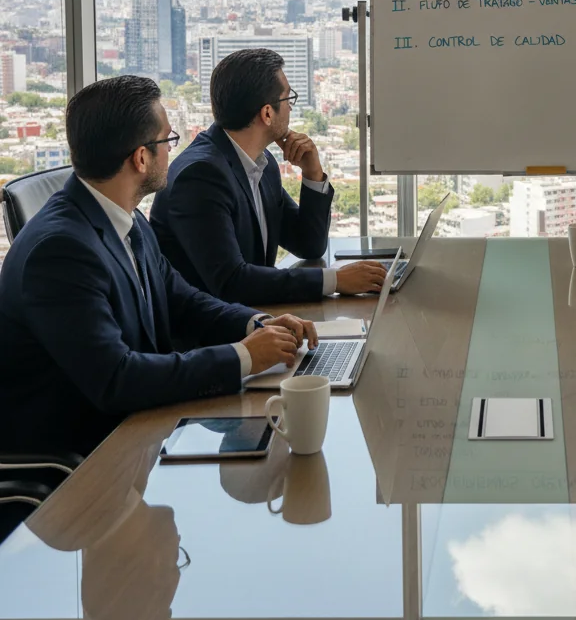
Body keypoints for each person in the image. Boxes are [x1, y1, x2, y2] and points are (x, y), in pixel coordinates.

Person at [0, 75, 314, 457]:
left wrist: (257, 324)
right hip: (84, 463)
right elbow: (117, 379)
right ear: (141, 157)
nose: (173, 151)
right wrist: (244, 357)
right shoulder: (59, 252)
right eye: (168, 140)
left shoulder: (124, 218)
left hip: (142, 432)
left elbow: (181, 300)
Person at [150, 48, 385, 304]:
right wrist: (336, 280)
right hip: (211, 337)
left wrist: (313, 173)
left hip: (255, 321)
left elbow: (309, 245)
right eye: (288, 100)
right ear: (267, 113)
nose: (291, 109)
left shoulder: (262, 163)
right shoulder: (200, 177)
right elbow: (232, 283)